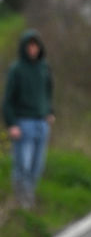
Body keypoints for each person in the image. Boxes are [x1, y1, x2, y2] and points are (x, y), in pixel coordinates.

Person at [2, 29, 55, 210]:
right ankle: (20, 201)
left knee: (36, 166)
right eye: (29, 46)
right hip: (23, 123)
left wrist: (50, 112)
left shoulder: (44, 67)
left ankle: (29, 198)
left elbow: (48, 92)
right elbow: (8, 100)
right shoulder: (17, 70)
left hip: (41, 122)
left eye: (35, 46)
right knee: (22, 165)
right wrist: (12, 124)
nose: (33, 50)